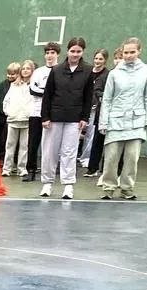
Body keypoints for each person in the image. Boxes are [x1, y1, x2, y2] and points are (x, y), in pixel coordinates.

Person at [98, 38, 147, 200]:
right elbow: (107, 99)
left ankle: (127, 188)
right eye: (126, 53)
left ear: (139, 52)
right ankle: (108, 187)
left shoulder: (146, 70)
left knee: (131, 158)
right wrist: (103, 122)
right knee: (111, 158)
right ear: (122, 53)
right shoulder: (114, 73)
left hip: (137, 122)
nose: (129, 55)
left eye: (132, 52)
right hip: (115, 122)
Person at [39, 36, 94, 199]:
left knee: (69, 152)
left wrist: (84, 117)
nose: (75, 54)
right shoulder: (55, 70)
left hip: (75, 119)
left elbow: (88, 96)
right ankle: (47, 183)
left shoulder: (88, 71)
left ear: (82, 52)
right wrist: (45, 117)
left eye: (78, 51)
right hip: (54, 117)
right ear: (67, 51)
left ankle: (68, 185)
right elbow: (47, 95)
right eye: (72, 51)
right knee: (50, 151)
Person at [25, 42, 59, 181]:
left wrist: (47, 92)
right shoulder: (38, 72)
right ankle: (31, 170)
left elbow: (59, 92)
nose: (49, 55)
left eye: (52, 53)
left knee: (51, 144)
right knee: (33, 143)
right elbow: (33, 90)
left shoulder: (60, 71)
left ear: (57, 54)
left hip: (52, 114)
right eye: (47, 53)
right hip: (36, 113)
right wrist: (48, 93)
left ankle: (49, 170)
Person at [2, 61, 34, 177]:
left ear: (32, 71)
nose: (25, 70)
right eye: (23, 68)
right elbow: (6, 101)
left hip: (27, 120)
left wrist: (30, 113)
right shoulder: (13, 85)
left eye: (28, 68)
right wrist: (9, 112)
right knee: (9, 145)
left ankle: (22, 168)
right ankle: (7, 168)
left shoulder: (34, 85)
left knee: (24, 146)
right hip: (13, 120)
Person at [80, 49, 109, 172]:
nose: (97, 61)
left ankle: (85, 158)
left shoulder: (107, 74)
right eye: (96, 58)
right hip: (81, 107)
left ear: (105, 60)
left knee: (90, 135)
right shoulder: (87, 72)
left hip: (95, 110)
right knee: (78, 133)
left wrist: (96, 104)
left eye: (100, 59)